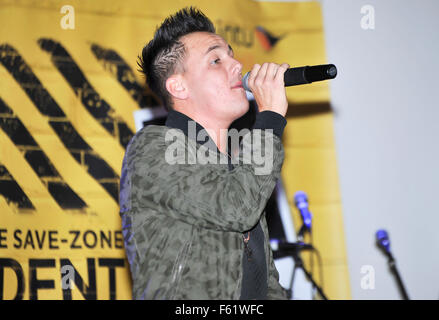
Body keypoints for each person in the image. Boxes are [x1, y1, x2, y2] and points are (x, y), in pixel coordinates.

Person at [120, 7, 289, 300]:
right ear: (179, 86)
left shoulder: (238, 170)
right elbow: (237, 207)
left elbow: (264, 282)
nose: (236, 65)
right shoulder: (152, 148)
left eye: (231, 54)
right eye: (216, 60)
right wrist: (271, 118)